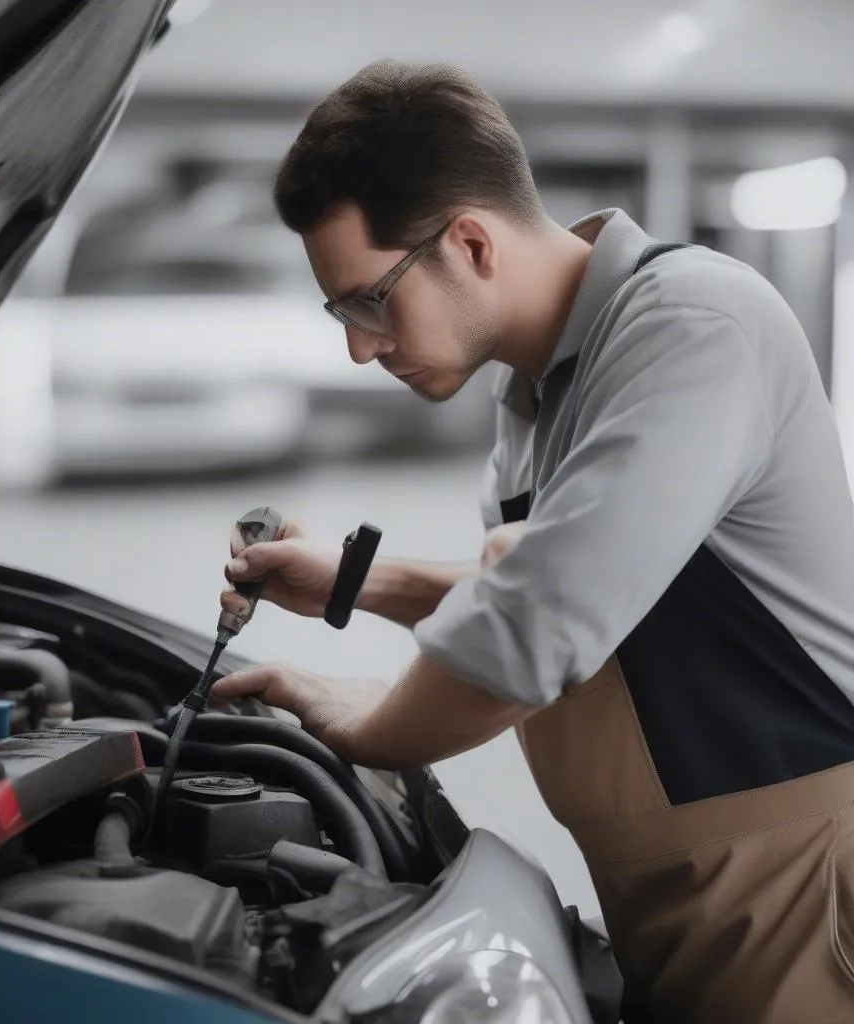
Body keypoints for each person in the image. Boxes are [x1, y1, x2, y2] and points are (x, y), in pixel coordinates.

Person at [210, 61, 854, 1023]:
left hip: (795, 880)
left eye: (368, 300)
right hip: (674, 895)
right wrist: (349, 582)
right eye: (340, 310)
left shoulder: (690, 326)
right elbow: (611, 593)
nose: (358, 346)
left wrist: (367, 729)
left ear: (470, 242)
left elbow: (535, 627)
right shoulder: (533, 395)